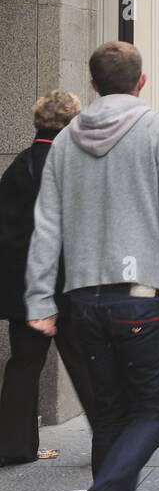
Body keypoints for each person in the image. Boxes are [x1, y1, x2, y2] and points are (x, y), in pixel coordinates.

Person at [25, 41, 159, 491]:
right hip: (144, 299)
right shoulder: (156, 132)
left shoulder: (62, 144)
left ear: (94, 84)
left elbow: (47, 226)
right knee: (153, 413)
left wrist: (39, 298)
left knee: (108, 419)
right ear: (142, 82)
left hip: (81, 303)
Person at [0, 92, 96, 467]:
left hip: (23, 288)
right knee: (86, 360)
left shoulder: (19, 167)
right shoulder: (73, 166)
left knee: (24, 363)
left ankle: (13, 443)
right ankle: (110, 436)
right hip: (67, 285)